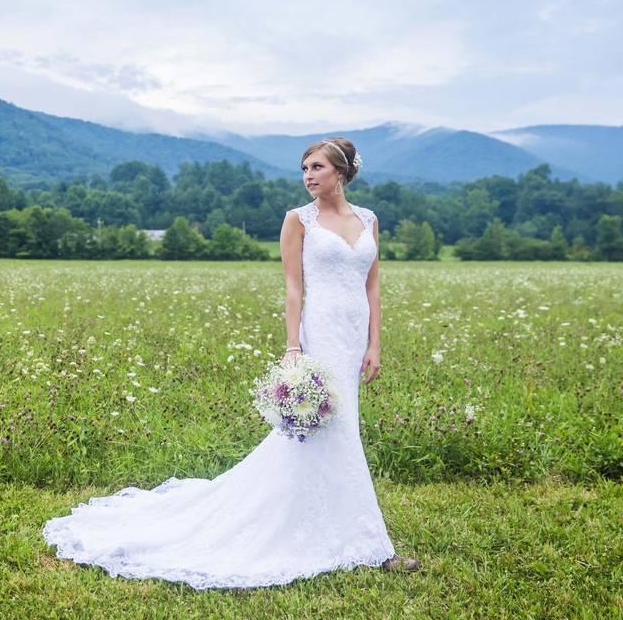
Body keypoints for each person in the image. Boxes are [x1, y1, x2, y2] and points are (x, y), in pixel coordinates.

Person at [42, 137, 421, 589]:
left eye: (316, 167)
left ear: (340, 172)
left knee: (343, 428)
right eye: (304, 169)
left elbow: (373, 287)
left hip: (353, 335)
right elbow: (293, 289)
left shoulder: (369, 220)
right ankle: (370, 544)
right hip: (318, 334)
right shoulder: (298, 220)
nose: (308, 176)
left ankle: (346, 531)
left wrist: (375, 344)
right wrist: (293, 347)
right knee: (322, 428)